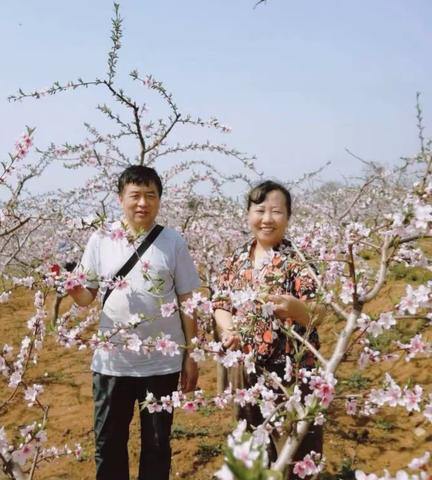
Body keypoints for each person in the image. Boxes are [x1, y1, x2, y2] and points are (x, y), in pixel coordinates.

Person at [68, 165, 200, 480]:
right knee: (109, 442)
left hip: (161, 363)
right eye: (135, 196)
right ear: (120, 198)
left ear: (159, 200)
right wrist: (70, 286)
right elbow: (87, 296)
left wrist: (191, 354)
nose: (143, 203)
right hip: (113, 362)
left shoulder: (172, 242)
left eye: (150, 196)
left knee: (157, 443)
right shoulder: (101, 239)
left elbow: (187, 301)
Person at [212, 180, 322, 478]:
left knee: (295, 447)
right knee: (252, 443)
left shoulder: (300, 261)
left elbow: (318, 312)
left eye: (276, 211)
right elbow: (221, 302)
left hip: (293, 372)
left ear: (288, 216)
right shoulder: (235, 260)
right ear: (248, 214)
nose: (267, 218)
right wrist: (228, 329)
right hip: (247, 370)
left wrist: (295, 308)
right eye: (260, 210)